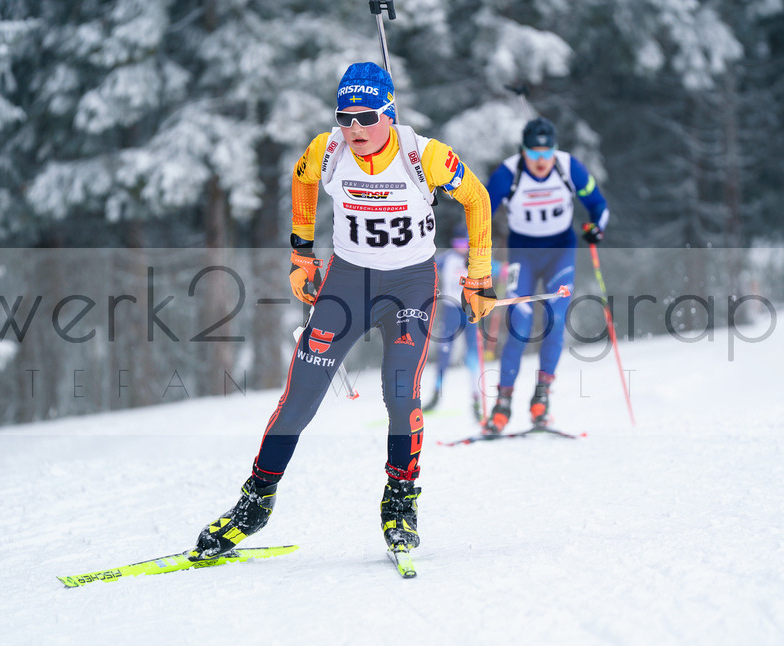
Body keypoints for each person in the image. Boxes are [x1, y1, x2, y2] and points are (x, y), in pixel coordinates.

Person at [192, 63, 496, 562]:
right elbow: (302, 181)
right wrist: (301, 253)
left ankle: (400, 501)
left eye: (366, 117)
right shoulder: (328, 149)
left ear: (389, 114)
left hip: (409, 286)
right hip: (347, 284)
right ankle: (256, 502)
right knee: (301, 396)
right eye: (344, 116)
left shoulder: (426, 156)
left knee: (400, 391)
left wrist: (479, 276)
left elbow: (477, 199)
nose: (354, 128)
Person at [483, 116, 609, 434]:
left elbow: (599, 205)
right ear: (523, 151)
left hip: (560, 253)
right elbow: (479, 210)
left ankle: (541, 400)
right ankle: (503, 403)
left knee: (554, 319)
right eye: (534, 154)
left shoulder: (569, 168)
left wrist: (597, 228)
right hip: (522, 254)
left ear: (555, 150)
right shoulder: (508, 173)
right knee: (520, 324)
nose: (541, 161)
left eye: (546, 153)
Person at [424, 225, 482, 420]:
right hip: (450, 310)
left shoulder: (476, 259)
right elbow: (427, 265)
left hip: (470, 310)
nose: (460, 247)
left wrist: (506, 271)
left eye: (463, 243)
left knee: (473, 353)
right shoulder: (447, 259)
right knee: (444, 352)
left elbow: (495, 268)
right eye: (456, 243)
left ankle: (476, 398)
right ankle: (435, 395)